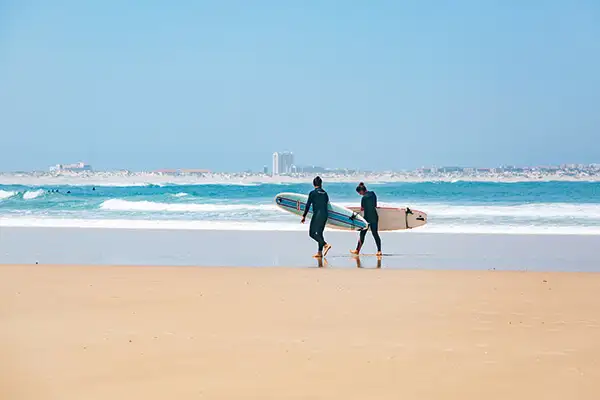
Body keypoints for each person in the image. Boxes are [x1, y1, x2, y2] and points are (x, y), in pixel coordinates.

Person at [301, 176, 332, 258]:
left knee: (312, 233)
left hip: (317, 215)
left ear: (313, 184)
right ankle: (319, 253)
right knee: (320, 233)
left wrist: (304, 216)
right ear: (321, 184)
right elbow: (327, 205)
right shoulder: (325, 193)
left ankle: (325, 244)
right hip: (325, 215)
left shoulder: (312, 193)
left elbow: (308, 205)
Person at [351, 182, 382, 256]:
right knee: (375, 234)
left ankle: (357, 250)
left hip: (367, 219)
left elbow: (362, 209)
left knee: (362, 235)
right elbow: (375, 205)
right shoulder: (373, 194)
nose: (359, 194)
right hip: (374, 217)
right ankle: (379, 251)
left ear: (361, 191)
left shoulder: (364, 198)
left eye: (359, 193)